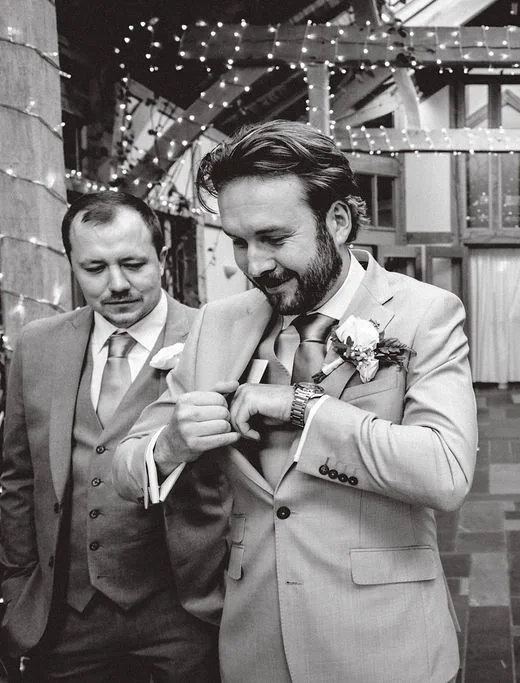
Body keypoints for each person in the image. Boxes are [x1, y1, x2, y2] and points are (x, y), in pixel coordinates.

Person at [111, 120, 476, 683]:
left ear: (337, 221)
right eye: (238, 241)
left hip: (385, 643)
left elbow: (445, 472)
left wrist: (303, 408)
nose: (253, 265)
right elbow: (126, 468)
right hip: (255, 642)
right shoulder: (217, 324)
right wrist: (171, 446)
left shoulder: (426, 313)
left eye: (274, 239)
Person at [0, 192, 223, 681]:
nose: (117, 284)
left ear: (162, 259)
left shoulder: (219, 338)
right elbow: (19, 477)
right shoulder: (37, 345)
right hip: (62, 619)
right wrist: (19, 587)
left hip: (186, 617)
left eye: (133, 264)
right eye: (95, 268)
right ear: (73, 266)